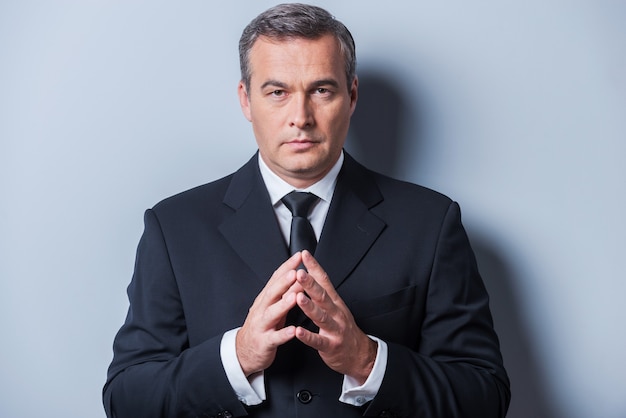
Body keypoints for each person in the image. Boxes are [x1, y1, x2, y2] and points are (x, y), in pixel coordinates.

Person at [103, 3, 510, 417]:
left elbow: (485, 397)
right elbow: (126, 400)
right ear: (246, 100)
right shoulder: (174, 229)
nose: (300, 118)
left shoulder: (431, 224)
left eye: (321, 90)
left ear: (351, 96)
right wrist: (236, 358)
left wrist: (367, 361)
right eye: (277, 92)